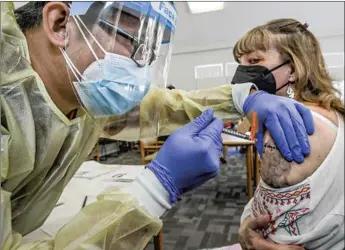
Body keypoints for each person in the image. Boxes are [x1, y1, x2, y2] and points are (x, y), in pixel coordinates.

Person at [0, 2, 315, 249]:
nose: (141, 67)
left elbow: (162, 106)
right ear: (59, 22)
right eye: (132, 40)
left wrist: (239, 97)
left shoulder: (80, 94)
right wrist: (155, 189)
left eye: (149, 51)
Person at [230, 18, 344, 250]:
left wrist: (245, 232)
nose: (242, 72)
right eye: (240, 62)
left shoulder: (288, 126)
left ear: (291, 69)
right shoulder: (333, 112)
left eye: (254, 60)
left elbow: (267, 226)